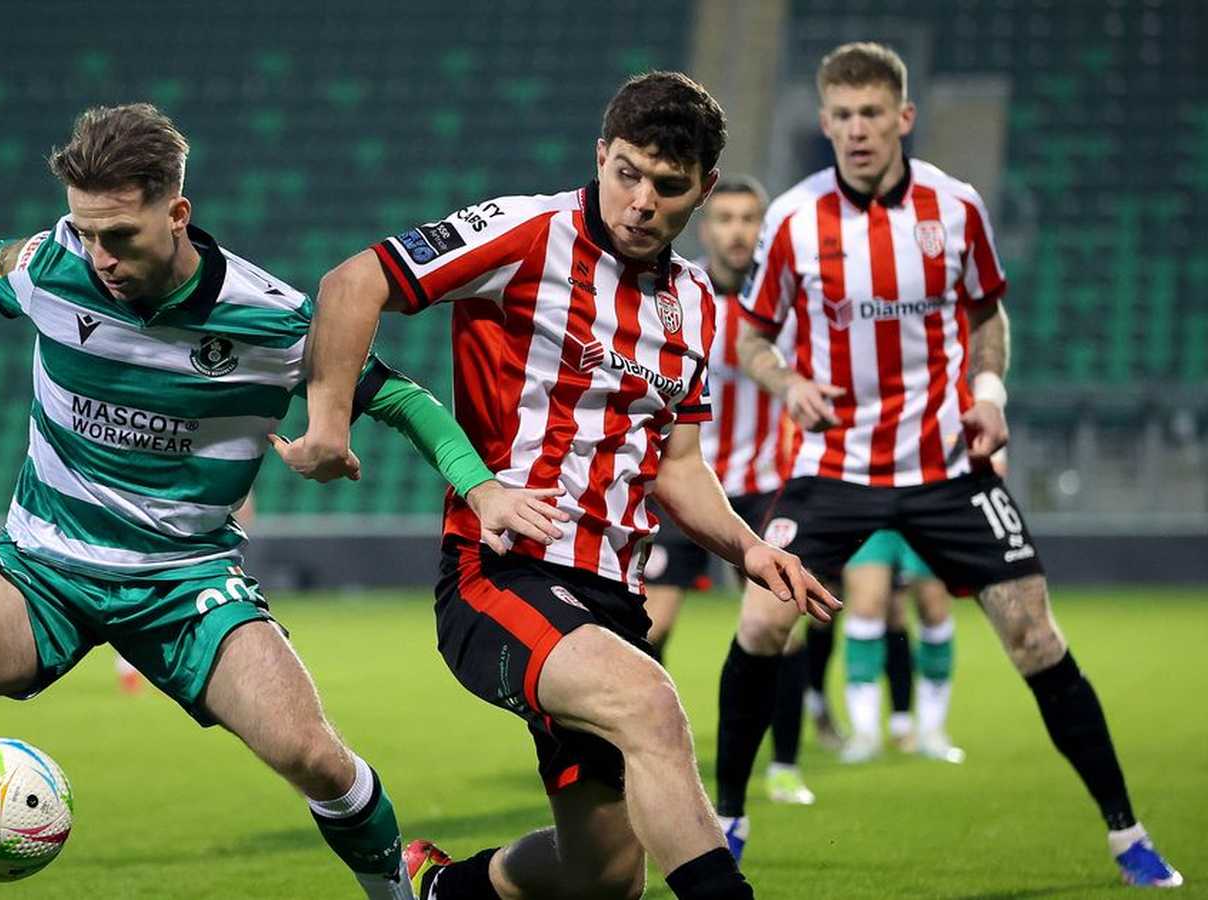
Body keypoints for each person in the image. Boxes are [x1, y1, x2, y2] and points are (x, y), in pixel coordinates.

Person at [0, 103, 559, 900]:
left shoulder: (272, 318)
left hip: (185, 584)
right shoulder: (53, 265)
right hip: (43, 563)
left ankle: (398, 891)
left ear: (177, 212)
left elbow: (399, 397)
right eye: (84, 231)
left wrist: (481, 485)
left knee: (315, 758)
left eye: (119, 236)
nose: (99, 256)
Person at [290, 72, 837, 900]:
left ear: (705, 189)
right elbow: (353, 282)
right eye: (626, 172)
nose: (642, 200)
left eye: (668, 184)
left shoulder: (692, 303)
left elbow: (678, 470)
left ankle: (444, 891)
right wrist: (330, 423)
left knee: (606, 877)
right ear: (600, 156)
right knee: (651, 703)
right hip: (499, 575)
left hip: (611, 599)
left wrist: (749, 547)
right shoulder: (524, 232)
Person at [709, 42, 1182, 887]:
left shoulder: (955, 208)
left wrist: (990, 390)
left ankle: (1127, 833)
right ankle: (730, 819)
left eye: (871, 115)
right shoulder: (792, 219)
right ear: (824, 123)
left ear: (903, 118)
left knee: (1034, 634)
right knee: (760, 624)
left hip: (944, 465)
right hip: (834, 469)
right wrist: (786, 382)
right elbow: (749, 333)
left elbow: (987, 314)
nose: (857, 131)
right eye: (842, 117)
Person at [643, 176, 815, 806]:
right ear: (706, 228)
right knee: (649, 624)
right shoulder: (677, 297)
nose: (737, 230)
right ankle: (645, 752)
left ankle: (785, 764)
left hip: (768, 486)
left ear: (762, 229)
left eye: (749, 219)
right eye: (726, 219)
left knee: (781, 626)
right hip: (690, 488)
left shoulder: (789, 305)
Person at [838, 529, 962, 764]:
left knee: (935, 610)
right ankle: (864, 733)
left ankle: (933, 730)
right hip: (872, 505)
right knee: (865, 608)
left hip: (924, 504)